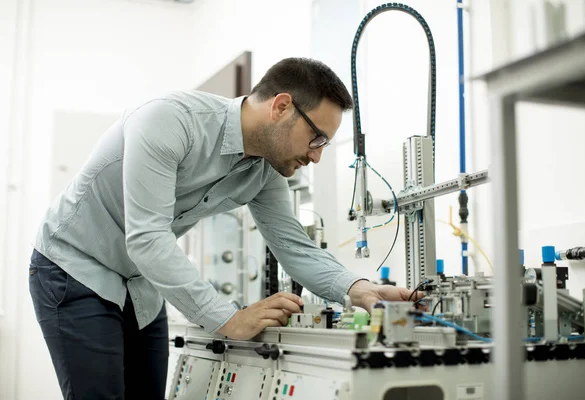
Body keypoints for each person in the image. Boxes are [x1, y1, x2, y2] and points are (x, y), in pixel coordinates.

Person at [29, 57, 418, 400]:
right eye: (317, 138)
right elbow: (147, 239)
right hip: (74, 267)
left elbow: (295, 248)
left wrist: (359, 289)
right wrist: (229, 319)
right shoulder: (170, 120)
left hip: (140, 284)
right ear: (282, 106)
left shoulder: (264, 172)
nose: (316, 155)